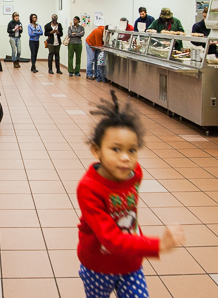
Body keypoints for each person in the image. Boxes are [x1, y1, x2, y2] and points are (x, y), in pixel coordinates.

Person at [78, 91, 185, 298]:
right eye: (115, 149)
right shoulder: (88, 188)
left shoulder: (135, 174)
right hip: (98, 265)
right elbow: (110, 238)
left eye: (132, 150)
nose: (125, 158)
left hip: (131, 262)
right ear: (96, 151)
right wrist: (158, 245)